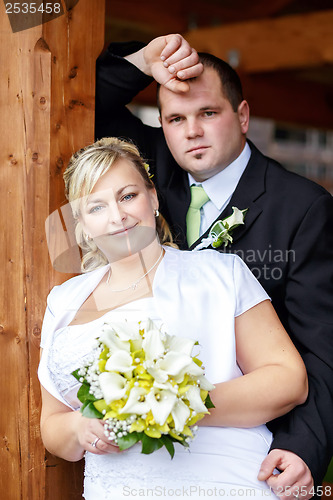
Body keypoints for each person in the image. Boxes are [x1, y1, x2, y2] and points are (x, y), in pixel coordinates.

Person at [94, 34, 333, 498]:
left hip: (253, 440)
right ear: (161, 124)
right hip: (147, 445)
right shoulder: (150, 174)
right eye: (176, 119)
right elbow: (83, 99)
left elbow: (323, 343)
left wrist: (303, 447)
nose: (191, 132)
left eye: (208, 113)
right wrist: (143, 62)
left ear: (242, 116)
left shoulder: (303, 208)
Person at [38, 137, 308, 499]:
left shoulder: (220, 273)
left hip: (220, 481)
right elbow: (52, 423)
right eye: (96, 207)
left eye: (128, 196)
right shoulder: (63, 300)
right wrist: (79, 427)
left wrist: (173, 401)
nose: (117, 216)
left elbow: (288, 380)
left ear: (153, 197)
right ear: (82, 223)